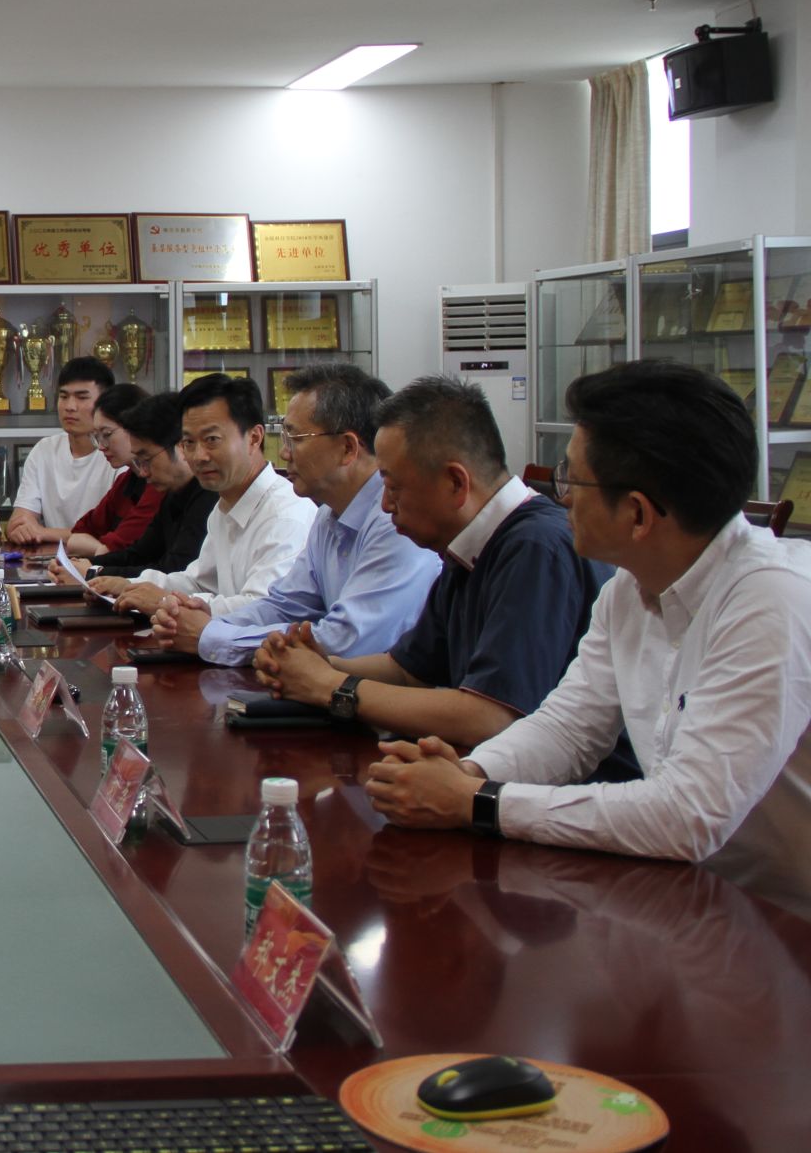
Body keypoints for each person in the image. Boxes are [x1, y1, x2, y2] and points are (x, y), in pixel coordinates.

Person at [363, 362, 811, 916]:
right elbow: (568, 730)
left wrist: (478, 801)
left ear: (638, 513)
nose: (560, 496)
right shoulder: (630, 587)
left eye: (571, 479)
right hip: (683, 895)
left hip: (782, 919)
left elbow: (688, 816)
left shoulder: (770, 599)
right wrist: (469, 773)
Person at [256, 374, 622, 757]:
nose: (385, 505)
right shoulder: (466, 547)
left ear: (455, 483)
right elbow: (407, 670)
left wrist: (331, 686)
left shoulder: (534, 547)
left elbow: (491, 716)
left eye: (393, 487)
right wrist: (316, 665)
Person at [177, 364, 440, 664]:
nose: (284, 453)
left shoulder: (394, 521)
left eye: (296, 438)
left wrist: (212, 636)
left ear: (347, 448)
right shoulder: (328, 515)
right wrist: (212, 624)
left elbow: (346, 640)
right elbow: (285, 605)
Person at [94, 373, 313, 626]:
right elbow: (199, 582)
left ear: (254, 437)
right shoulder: (224, 506)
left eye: (211, 440)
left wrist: (164, 601)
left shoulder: (285, 516)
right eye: (189, 442)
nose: (198, 456)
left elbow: (263, 609)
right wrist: (130, 585)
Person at [72, 392, 216, 580]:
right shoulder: (172, 493)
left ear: (181, 446)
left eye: (146, 460)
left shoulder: (209, 495)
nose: (143, 472)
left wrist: (95, 572)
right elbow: (139, 553)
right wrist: (86, 565)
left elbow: (175, 570)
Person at [5, 356, 119, 545]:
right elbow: (19, 521)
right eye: (64, 396)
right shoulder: (44, 450)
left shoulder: (117, 455)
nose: (69, 407)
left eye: (82, 397)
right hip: (51, 559)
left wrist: (44, 533)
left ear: (105, 402)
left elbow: (118, 534)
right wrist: (21, 530)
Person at [59, 382, 158, 559]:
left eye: (107, 434)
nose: (101, 446)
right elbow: (77, 534)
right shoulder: (126, 481)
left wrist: (104, 549)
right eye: (96, 437)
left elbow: (118, 545)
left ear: (136, 427)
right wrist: (101, 549)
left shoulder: (159, 485)